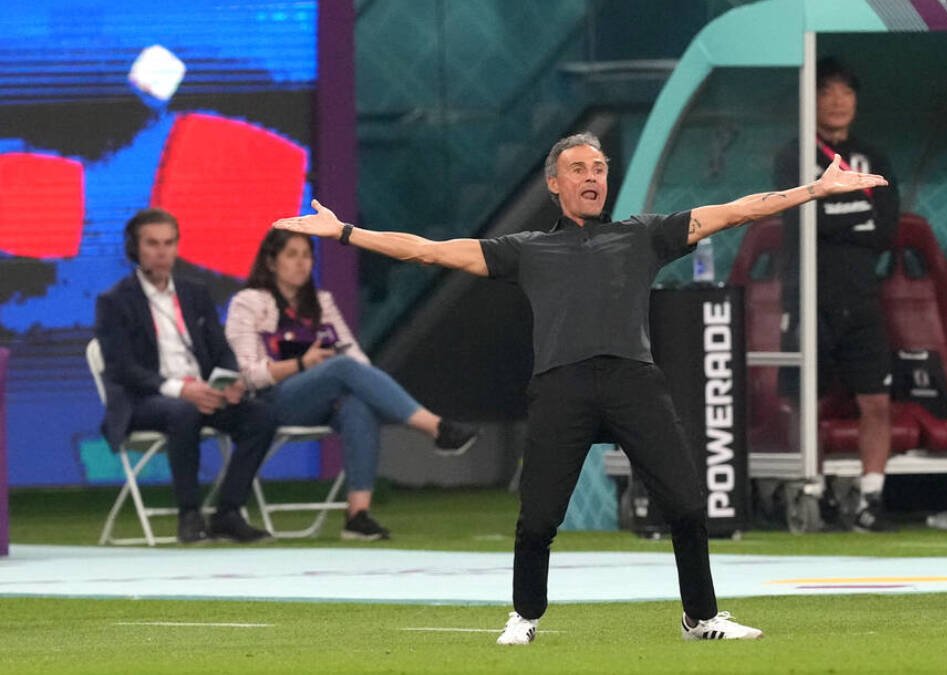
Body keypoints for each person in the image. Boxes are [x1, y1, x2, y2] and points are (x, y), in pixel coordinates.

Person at [273, 132, 885, 645]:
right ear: (556, 185)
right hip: (561, 387)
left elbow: (736, 210)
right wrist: (344, 232)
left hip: (632, 380)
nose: (592, 176)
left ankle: (700, 616)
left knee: (688, 506)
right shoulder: (525, 249)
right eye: (578, 169)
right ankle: (525, 615)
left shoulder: (644, 234)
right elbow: (428, 252)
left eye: (599, 168)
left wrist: (814, 190)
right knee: (538, 519)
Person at [224, 229, 480, 541]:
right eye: (291, 255)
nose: (301, 263)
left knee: (357, 402)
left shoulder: (321, 303)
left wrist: (351, 381)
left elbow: (356, 357)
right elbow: (251, 374)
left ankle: (357, 515)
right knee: (341, 366)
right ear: (271, 261)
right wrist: (303, 364)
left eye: (306, 255)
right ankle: (436, 428)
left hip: (322, 402)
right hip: (270, 402)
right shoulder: (249, 302)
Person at [95, 208, 275, 543]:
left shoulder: (195, 294)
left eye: (169, 243)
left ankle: (228, 513)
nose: (162, 252)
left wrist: (231, 379)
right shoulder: (115, 302)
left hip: (204, 392)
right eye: (152, 244)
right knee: (184, 411)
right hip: (146, 400)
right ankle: (189, 514)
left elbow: (220, 349)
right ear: (135, 248)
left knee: (260, 416)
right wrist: (181, 390)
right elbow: (122, 368)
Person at [773, 57, 900, 532]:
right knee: (807, 400)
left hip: (863, 298)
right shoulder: (793, 156)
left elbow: (886, 228)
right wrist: (853, 215)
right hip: (809, 296)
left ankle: (871, 497)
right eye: (827, 91)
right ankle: (813, 490)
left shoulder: (875, 157)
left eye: (846, 91)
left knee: (876, 401)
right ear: (811, 98)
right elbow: (803, 221)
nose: (838, 101)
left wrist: (834, 213)